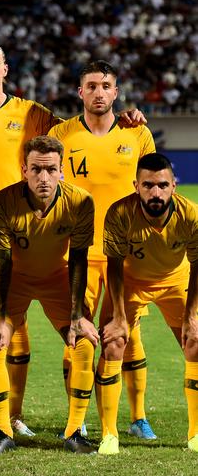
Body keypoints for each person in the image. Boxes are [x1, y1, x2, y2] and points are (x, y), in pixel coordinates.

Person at [0, 43, 145, 437]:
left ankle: (16, 415)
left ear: (6, 69)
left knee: (19, 331)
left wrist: (124, 117)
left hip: (24, 237)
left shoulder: (35, 116)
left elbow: (79, 131)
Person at [49, 60, 156, 439]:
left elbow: (150, 191)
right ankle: (75, 422)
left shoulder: (138, 135)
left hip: (124, 255)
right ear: (80, 92)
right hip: (74, 253)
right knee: (76, 337)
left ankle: (138, 417)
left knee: (126, 335)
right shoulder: (60, 134)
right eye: (91, 85)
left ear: (116, 92)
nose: (98, 92)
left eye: (105, 85)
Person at [0, 135, 98, 455]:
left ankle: (75, 432)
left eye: (51, 170)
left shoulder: (80, 201)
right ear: (23, 170)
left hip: (57, 277)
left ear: (62, 171)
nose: (43, 178)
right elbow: (1, 260)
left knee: (84, 343)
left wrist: (77, 316)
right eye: (36, 170)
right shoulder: (2, 202)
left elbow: (78, 259)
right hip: (14, 277)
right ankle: (3, 431)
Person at [96, 153, 198, 454]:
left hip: (175, 281)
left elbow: (197, 265)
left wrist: (192, 315)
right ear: (136, 186)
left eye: (163, 185)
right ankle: (109, 434)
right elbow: (113, 266)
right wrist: (116, 315)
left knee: (196, 341)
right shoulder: (119, 213)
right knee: (113, 343)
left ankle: (195, 434)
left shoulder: (190, 215)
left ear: (174, 186)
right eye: (149, 185)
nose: (156, 192)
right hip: (131, 283)